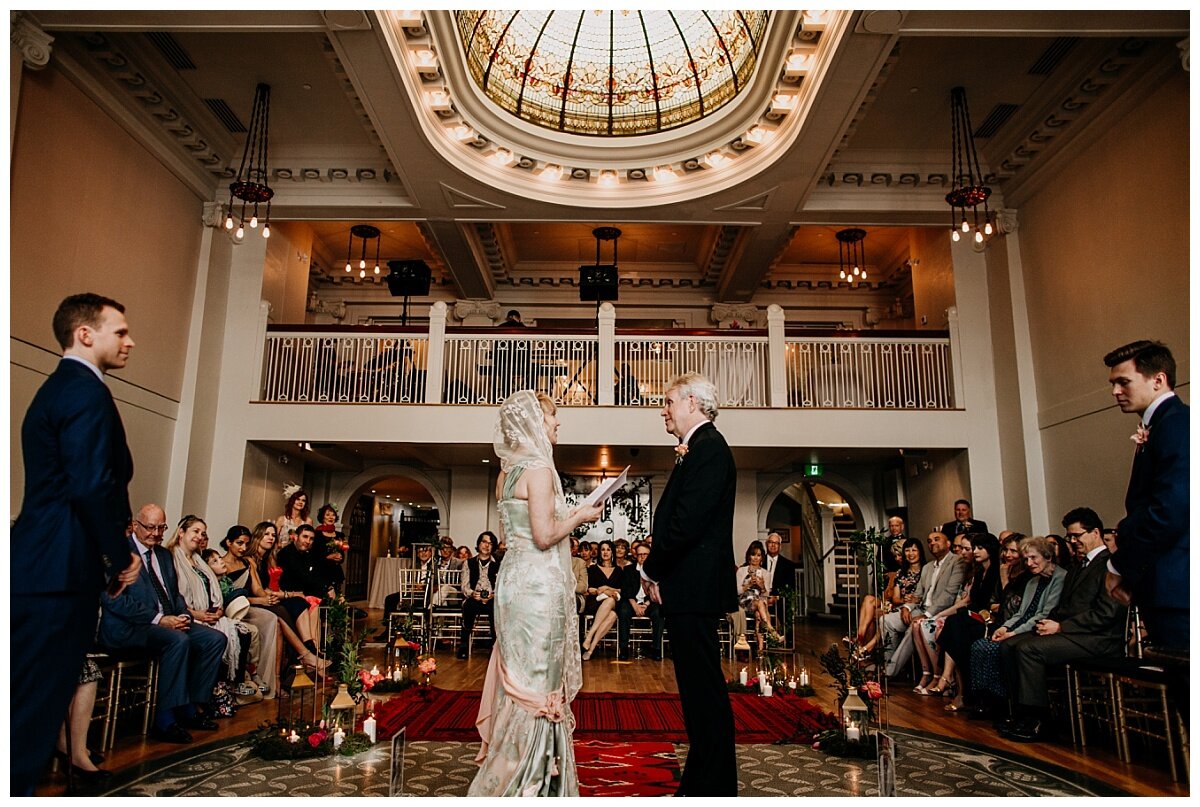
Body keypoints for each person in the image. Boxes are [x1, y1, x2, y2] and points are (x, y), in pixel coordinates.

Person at [12, 293, 142, 796]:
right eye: (120, 331)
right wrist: (120, 554)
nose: (130, 341)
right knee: (33, 711)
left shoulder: (59, 388)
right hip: (58, 567)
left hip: (43, 562)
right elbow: (91, 484)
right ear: (84, 334)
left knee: (28, 702)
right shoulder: (85, 391)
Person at [469, 390, 602, 796]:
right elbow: (544, 536)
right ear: (532, 423)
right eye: (551, 418)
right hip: (538, 589)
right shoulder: (540, 470)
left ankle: (516, 764)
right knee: (540, 677)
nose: (557, 424)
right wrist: (580, 515)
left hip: (513, 582)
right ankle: (532, 779)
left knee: (520, 674)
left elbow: (524, 532)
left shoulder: (505, 473)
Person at [641, 372, 738, 796]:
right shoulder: (697, 448)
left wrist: (650, 568)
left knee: (705, 693)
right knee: (697, 694)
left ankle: (714, 788)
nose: (663, 408)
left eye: (668, 401)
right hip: (689, 587)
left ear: (693, 402)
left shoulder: (709, 449)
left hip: (695, 588)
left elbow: (685, 525)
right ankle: (701, 783)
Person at [98, 504, 228, 745]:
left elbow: (174, 595)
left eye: (161, 528)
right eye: (150, 527)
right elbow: (113, 600)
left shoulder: (164, 555)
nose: (156, 533)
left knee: (214, 639)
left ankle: (190, 705)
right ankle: (165, 719)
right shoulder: (117, 553)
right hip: (130, 627)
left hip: (166, 621)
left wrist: (184, 616)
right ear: (136, 526)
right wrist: (159, 619)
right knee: (178, 640)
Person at [998, 508, 1126, 741]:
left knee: (1029, 649)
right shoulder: (1078, 566)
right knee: (1010, 645)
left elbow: (1106, 614)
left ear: (1095, 532)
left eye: (1077, 536)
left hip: (1098, 638)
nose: (1072, 541)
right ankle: (1020, 712)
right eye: (1070, 537)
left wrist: (1061, 627)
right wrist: (1049, 621)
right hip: (1072, 633)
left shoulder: (1110, 564)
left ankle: (1039, 720)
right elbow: (1063, 606)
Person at [1103, 340, 1190, 655]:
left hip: (1179, 585)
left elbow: (1171, 511)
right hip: (1166, 583)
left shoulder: (1177, 425)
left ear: (1158, 379)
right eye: (1113, 384)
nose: (1115, 391)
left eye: (1123, 382)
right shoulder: (1161, 425)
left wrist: (1120, 565)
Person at [967, 536, 1065, 720]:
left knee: (1001, 647)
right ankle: (987, 701)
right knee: (980, 645)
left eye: (1034, 558)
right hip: (1021, 626)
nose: (1029, 563)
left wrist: (1012, 633)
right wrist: (1004, 628)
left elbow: (1043, 614)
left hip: (1040, 628)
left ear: (1048, 556)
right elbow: (1020, 613)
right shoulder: (1033, 581)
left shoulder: (1060, 578)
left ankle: (1009, 705)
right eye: (1026, 559)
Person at [882, 531, 965, 681]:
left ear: (948, 544)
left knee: (914, 628)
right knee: (885, 621)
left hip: (941, 612)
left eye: (936, 539)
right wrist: (907, 608)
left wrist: (926, 615)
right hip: (919, 608)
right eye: (929, 540)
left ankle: (889, 671)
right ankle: (889, 663)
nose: (932, 543)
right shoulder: (928, 567)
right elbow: (918, 594)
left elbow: (949, 595)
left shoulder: (957, 562)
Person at [457, 531, 500, 659]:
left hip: (492, 598)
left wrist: (494, 595)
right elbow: (464, 586)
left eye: (490, 543)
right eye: (484, 542)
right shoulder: (468, 563)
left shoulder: (498, 565)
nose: (487, 546)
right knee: (468, 607)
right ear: (479, 543)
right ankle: (464, 645)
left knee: (496, 611)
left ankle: (495, 647)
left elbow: (502, 585)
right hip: (474, 597)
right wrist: (472, 594)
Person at [617, 542, 664, 660]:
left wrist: (646, 604)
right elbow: (625, 590)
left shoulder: (656, 570)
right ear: (635, 556)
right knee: (623, 611)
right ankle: (623, 649)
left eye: (645, 554)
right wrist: (635, 606)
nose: (642, 557)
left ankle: (656, 649)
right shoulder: (629, 570)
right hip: (632, 602)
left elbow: (659, 592)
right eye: (640, 554)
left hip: (650, 603)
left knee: (659, 613)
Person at [580, 540, 623, 660]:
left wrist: (608, 588)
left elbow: (621, 589)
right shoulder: (593, 569)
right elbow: (589, 589)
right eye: (603, 549)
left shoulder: (619, 570)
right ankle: (590, 644)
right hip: (595, 602)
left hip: (613, 601)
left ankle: (590, 642)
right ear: (599, 552)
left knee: (611, 604)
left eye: (608, 549)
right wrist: (603, 591)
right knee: (613, 614)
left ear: (612, 552)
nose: (605, 552)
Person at [736, 541, 778, 653]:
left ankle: (760, 649)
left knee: (760, 610)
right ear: (749, 556)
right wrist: (748, 585)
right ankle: (771, 631)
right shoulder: (741, 571)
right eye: (753, 554)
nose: (755, 558)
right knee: (760, 604)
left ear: (762, 558)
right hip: (744, 601)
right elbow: (736, 591)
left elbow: (766, 595)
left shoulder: (766, 574)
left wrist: (762, 587)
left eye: (758, 555)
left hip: (758, 603)